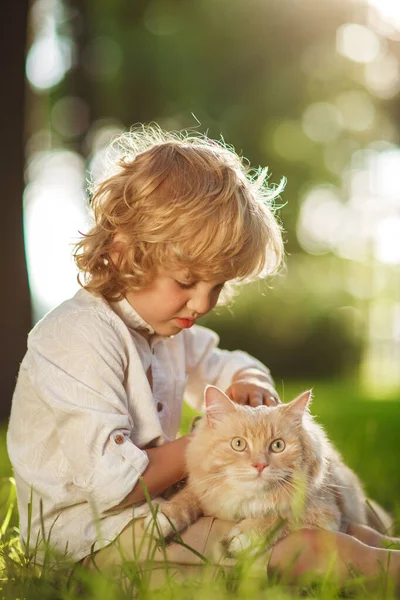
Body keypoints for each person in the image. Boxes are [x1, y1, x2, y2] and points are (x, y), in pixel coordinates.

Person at [7, 125, 399, 591]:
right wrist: (210, 443)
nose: (202, 304)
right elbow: (112, 484)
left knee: (347, 528)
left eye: (217, 286)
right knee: (301, 548)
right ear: (123, 250)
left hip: (156, 517)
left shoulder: (167, 330)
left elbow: (223, 363)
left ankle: (373, 551)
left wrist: (248, 384)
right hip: (91, 543)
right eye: (188, 281)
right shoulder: (76, 338)